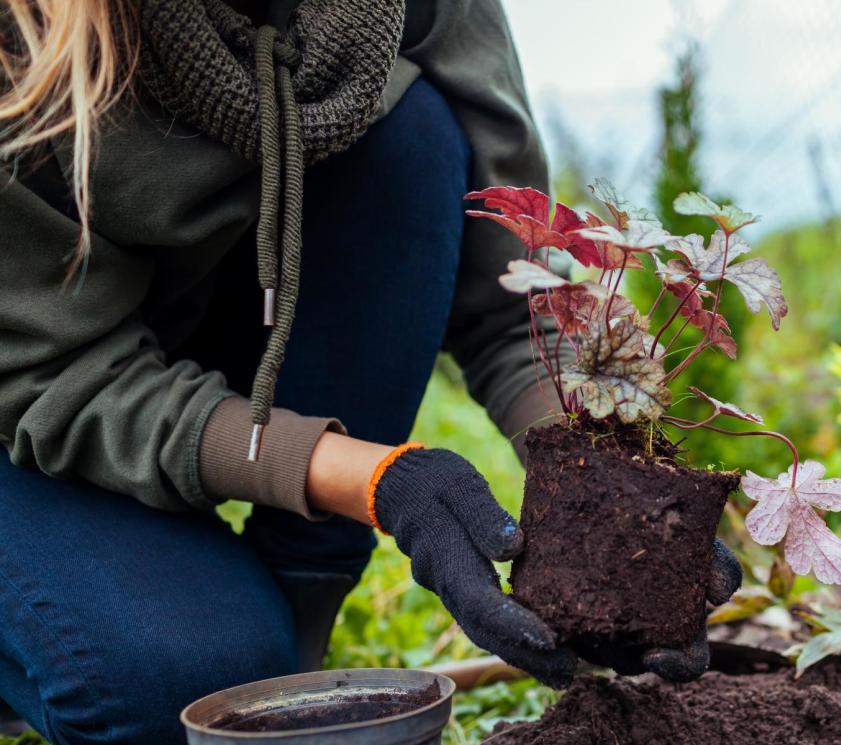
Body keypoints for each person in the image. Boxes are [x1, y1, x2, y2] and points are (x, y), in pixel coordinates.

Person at [0, 1, 742, 742]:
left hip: (183, 360)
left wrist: (614, 501)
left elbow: (510, 306)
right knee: (170, 691)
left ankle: (295, 626)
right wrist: (384, 480)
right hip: (28, 401)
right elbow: (54, 370)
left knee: (411, 133)